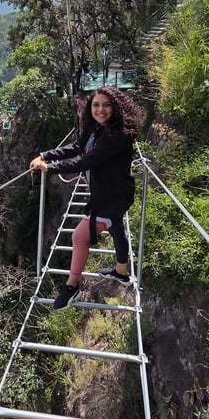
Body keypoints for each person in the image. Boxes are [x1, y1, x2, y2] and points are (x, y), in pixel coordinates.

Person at [29, 86, 145, 310]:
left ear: (116, 108)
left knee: (79, 236)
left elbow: (86, 161)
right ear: (89, 107)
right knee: (116, 228)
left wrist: (48, 167)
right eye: (96, 105)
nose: (100, 110)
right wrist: (45, 155)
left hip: (112, 197)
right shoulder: (98, 129)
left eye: (107, 105)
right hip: (107, 191)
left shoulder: (117, 135)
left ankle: (72, 287)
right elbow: (77, 148)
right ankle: (121, 273)